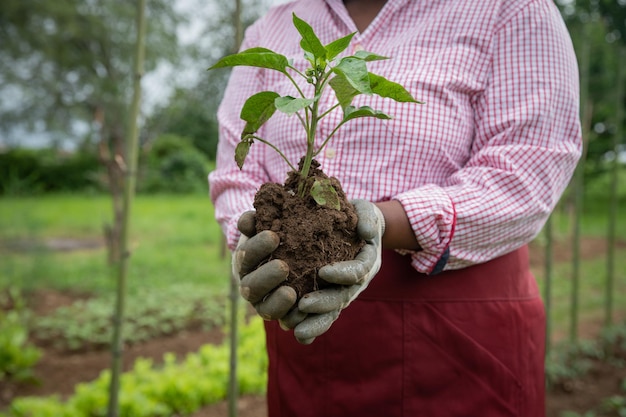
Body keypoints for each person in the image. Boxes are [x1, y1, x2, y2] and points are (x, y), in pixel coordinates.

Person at [208, 0, 582, 415]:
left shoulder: (510, 8)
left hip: (457, 332)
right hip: (307, 327)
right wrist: (251, 241)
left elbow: (530, 164)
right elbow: (237, 176)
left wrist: (379, 223)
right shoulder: (272, 28)